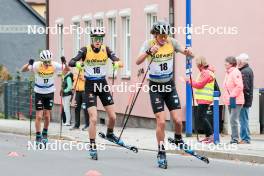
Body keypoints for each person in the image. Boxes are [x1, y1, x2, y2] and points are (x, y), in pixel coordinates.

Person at [136, 20, 193, 168]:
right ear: (155, 34)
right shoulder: (148, 44)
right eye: (161, 35)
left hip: (169, 85)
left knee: (178, 121)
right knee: (161, 122)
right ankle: (161, 151)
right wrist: (149, 52)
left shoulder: (172, 42)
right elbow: (137, 61)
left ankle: (178, 139)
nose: (163, 38)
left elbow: (186, 52)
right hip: (155, 87)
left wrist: (189, 53)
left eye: (165, 35)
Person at [69, 28, 123, 160]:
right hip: (90, 86)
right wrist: (78, 64)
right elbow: (71, 61)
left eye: (100, 39)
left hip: (102, 84)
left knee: (113, 117)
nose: (98, 41)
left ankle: (110, 134)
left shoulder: (106, 49)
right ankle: (92, 146)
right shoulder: (85, 50)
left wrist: (117, 64)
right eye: (96, 39)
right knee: (93, 118)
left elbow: (118, 60)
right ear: (92, 39)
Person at [21, 50, 67, 146]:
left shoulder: (54, 65)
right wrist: (28, 64)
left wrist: (64, 63)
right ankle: (38, 136)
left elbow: (67, 70)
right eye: (45, 62)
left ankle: (45, 133)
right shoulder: (37, 65)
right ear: (41, 61)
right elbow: (23, 70)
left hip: (49, 92)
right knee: (38, 116)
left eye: (48, 61)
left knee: (46, 115)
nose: (47, 63)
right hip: (39, 93)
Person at [184, 56, 214, 143]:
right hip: (203, 98)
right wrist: (191, 81)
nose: (197, 67)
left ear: (200, 64)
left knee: (202, 117)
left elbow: (200, 85)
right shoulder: (204, 72)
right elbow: (198, 83)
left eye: (197, 65)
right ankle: (208, 136)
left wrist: (190, 82)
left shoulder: (206, 73)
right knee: (201, 117)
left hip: (205, 98)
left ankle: (211, 135)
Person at [223, 56, 244, 144]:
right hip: (230, 100)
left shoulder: (235, 72)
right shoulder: (228, 73)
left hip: (236, 100)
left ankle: (235, 139)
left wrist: (232, 95)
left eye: (226, 62)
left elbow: (239, 86)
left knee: (233, 119)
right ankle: (233, 138)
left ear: (231, 63)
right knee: (232, 119)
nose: (225, 63)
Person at [237, 53, 254, 144]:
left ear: (243, 61)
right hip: (246, 99)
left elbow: (245, 87)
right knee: (244, 119)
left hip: (244, 100)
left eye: (239, 60)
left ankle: (245, 139)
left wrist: (242, 99)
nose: (238, 62)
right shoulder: (247, 70)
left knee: (243, 119)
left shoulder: (245, 72)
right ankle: (246, 138)